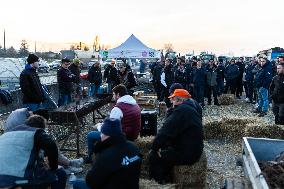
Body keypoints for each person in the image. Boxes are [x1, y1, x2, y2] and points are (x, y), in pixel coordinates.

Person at [149, 89, 204, 184]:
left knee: (154, 156)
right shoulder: (192, 106)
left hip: (188, 153)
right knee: (165, 148)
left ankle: (158, 183)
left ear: (180, 101)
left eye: (173, 99)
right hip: (194, 148)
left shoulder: (181, 111)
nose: (171, 101)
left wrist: (154, 147)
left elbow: (165, 131)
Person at [0, 112, 67, 189]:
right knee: (60, 173)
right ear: (41, 127)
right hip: (20, 181)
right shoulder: (36, 132)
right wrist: (53, 167)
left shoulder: (5, 135)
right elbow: (51, 144)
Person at [73, 118, 142, 189]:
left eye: (102, 133)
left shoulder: (106, 155)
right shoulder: (134, 147)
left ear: (106, 134)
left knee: (77, 183)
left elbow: (91, 182)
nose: (100, 136)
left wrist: (90, 171)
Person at [85, 84, 141, 163]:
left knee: (90, 135)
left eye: (114, 94)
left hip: (123, 136)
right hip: (134, 134)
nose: (113, 96)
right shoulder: (134, 103)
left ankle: (91, 158)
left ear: (118, 94)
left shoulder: (118, 108)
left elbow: (110, 129)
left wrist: (99, 126)